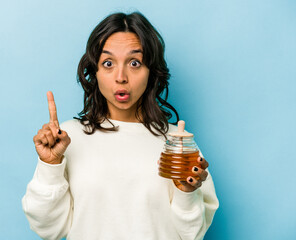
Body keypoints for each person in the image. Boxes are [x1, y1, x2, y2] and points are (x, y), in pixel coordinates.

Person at [22, 12, 219, 240]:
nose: (121, 77)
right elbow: (49, 229)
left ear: (151, 72)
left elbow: (193, 235)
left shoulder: (179, 142)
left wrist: (186, 194)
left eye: (134, 63)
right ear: (94, 72)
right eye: (108, 63)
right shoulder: (67, 138)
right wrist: (51, 164)